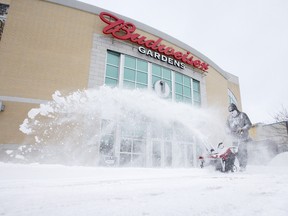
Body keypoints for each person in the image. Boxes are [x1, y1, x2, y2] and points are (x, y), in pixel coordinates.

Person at [226, 103, 252, 171]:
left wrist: (242, 129)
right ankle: (230, 166)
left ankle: (243, 167)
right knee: (234, 152)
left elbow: (249, 124)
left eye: (232, 111)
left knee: (242, 151)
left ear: (236, 110)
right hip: (234, 138)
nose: (231, 113)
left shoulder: (242, 115)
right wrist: (228, 131)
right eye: (230, 112)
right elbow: (226, 126)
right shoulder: (229, 118)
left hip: (243, 137)